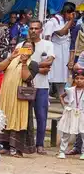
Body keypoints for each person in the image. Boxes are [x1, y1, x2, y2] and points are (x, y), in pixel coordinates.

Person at [27, 19, 55, 153]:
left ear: (41, 30)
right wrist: (39, 68)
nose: (33, 31)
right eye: (31, 28)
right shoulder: (23, 44)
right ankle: (27, 143)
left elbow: (49, 61)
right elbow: (18, 62)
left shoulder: (48, 44)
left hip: (42, 86)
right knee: (24, 116)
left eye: (36, 28)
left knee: (41, 116)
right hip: (25, 85)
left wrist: (32, 66)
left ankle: (40, 144)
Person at [58, 68, 84, 159]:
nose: (79, 80)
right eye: (77, 78)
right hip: (71, 113)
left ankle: (83, 152)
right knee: (66, 133)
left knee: (83, 133)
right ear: (74, 79)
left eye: (82, 78)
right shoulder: (70, 90)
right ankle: (62, 151)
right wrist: (64, 107)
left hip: (82, 113)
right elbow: (61, 96)